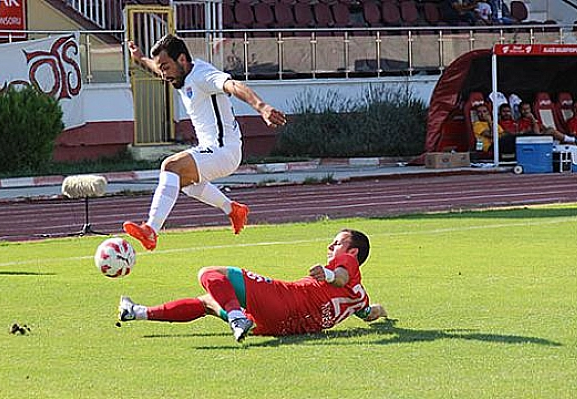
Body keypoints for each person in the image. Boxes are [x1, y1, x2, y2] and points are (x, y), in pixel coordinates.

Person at [123, 34, 287, 250]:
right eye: (161, 68)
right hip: (211, 149)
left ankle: (151, 230)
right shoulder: (181, 75)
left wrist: (261, 106)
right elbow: (156, 66)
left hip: (224, 151)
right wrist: (140, 58)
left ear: (182, 60)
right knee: (179, 183)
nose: (163, 74)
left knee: (170, 167)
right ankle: (232, 209)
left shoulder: (203, 75)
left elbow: (233, 85)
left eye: (166, 67)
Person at [117, 229, 387, 342]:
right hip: (281, 328)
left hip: (282, 301)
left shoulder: (346, 265)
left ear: (352, 254)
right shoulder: (359, 297)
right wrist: (382, 311)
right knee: (209, 302)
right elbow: (369, 313)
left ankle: (236, 317)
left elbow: (339, 276)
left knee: (209, 273)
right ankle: (136, 312)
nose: (331, 246)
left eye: (338, 243)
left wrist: (328, 276)